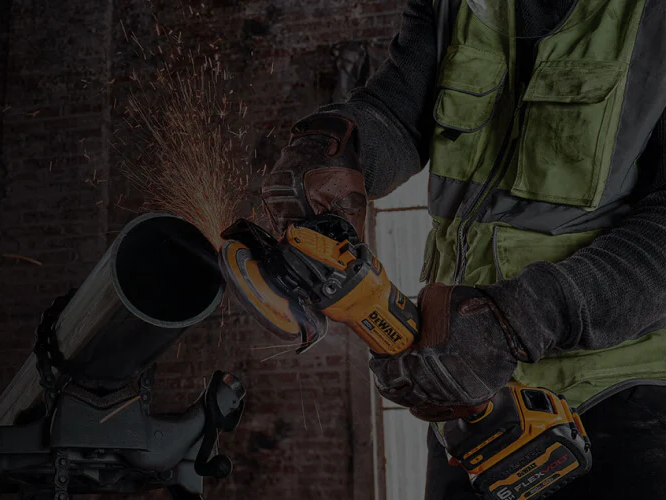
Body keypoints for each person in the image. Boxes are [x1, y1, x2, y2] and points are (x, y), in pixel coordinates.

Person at [260, 0, 666, 498]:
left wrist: (519, 319)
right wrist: (344, 144)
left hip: (618, 396)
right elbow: (399, 113)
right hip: (464, 383)